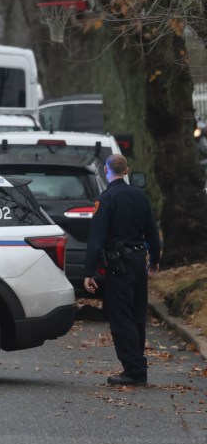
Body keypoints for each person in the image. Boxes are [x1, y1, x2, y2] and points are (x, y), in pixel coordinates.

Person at [83, 153, 161, 386]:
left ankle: (133, 370)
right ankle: (139, 366)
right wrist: (154, 260)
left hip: (119, 265)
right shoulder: (140, 196)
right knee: (137, 315)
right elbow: (152, 232)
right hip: (138, 261)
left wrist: (89, 271)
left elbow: (96, 239)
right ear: (126, 171)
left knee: (121, 317)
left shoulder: (106, 199)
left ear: (107, 171)